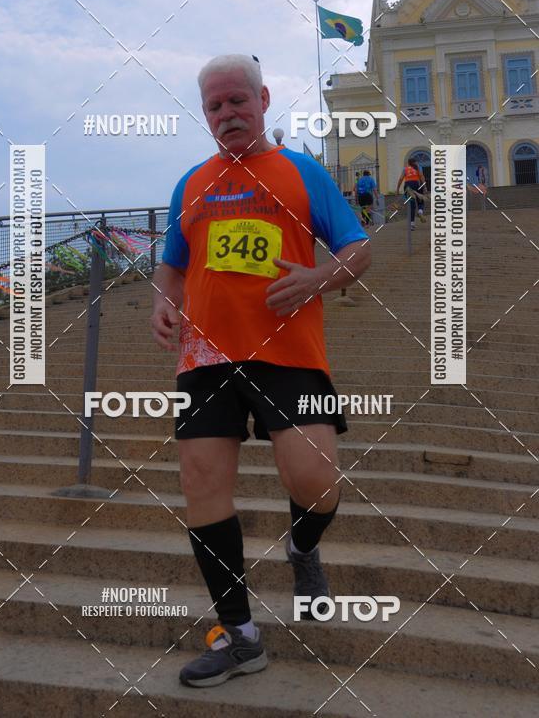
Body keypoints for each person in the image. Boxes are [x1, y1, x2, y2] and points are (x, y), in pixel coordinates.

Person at [151, 54, 371, 688]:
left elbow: (358, 248)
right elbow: (172, 263)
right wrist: (163, 300)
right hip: (205, 359)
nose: (226, 114)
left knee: (316, 482)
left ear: (264, 99)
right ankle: (240, 635)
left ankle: (303, 547)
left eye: (237, 101)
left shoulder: (301, 172)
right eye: (214, 106)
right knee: (200, 486)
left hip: (289, 353)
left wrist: (318, 278)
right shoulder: (191, 184)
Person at [396, 158, 426, 229]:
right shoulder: (418, 167)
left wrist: (397, 189)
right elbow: (421, 176)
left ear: (408, 163)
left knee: (411, 205)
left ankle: (412, 224)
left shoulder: (405, 169)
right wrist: (424, 187)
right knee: (421, 200)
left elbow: (400, 179)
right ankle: (420, 211)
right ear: (415, 162)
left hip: (408, 186)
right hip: (417, 185)